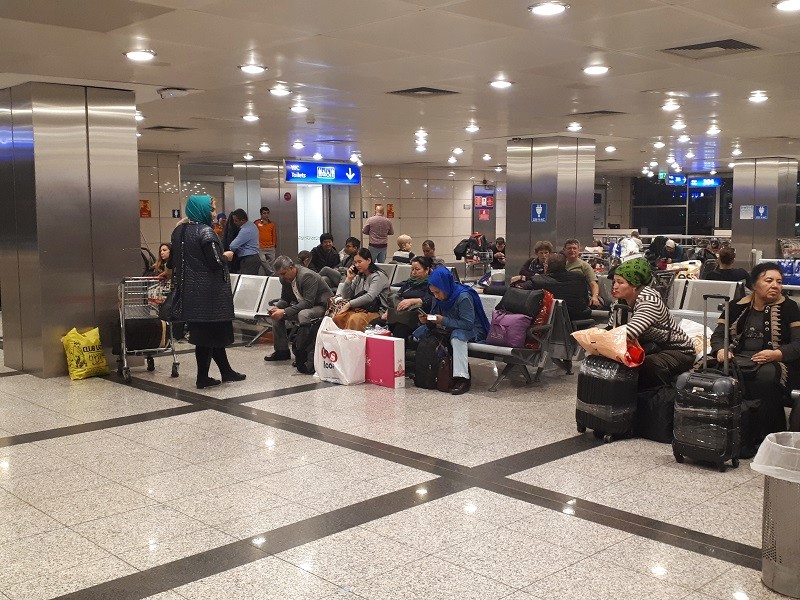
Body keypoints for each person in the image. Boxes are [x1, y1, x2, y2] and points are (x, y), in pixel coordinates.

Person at [711, 262, 800, 455]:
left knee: (766, 378)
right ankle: (722, 433)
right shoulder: (735, 306)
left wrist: (777, 354)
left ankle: (765, 436)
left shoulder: (790, 307)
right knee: (714, 372)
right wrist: (720, 349)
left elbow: (798, 344)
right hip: (738, 358)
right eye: (769, 280)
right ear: (754, 283)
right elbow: (718, 336)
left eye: (779, 281)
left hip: (777, 361)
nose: (775, 285)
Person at [168, 195, 245, 389]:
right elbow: (215, 262)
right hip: (210, 295)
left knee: (211, 334)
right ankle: (202, 378)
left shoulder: (179, 232)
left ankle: (226, 371)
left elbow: (173, 261)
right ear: (201, 210)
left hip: (190, 293)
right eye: (211, 209)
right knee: (207, 337)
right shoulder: (206, 232)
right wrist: (226, 256)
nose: (214, 214)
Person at [609, 257, 695, 390]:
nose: (615, 286)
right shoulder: (620, 303)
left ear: (635, 284)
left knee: (648, 365)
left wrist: (597, 339)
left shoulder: (649, 300)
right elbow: (611, 328)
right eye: (614, 282)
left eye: (620, 282)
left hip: (678, 351)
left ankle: (659, 399)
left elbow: (631, 332)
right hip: (652, 346)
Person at [414, 266, 490, 395]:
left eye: (438, 292)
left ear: (445, 286)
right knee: (419, 333)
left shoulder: (463, 297)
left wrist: (442, 320)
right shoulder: (438, 297)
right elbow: (436, 315)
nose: (436, 296)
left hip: (472, 330)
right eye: (433, 293)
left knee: (457, 337)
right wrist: (428, 319)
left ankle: (462, 378)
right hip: (447, 326)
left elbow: (467, 324)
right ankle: (426, 370)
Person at [264, 256, 331, 362]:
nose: (282, 277)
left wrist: (284, 311)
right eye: (279, 274)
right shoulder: (285, 278)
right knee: (276, 316)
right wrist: (277, 307)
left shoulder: (306, 276)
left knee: (304, 314)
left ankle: (304, 354)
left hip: (321, 307)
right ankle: (282, 351)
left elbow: (308, 303)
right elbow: (285, 299)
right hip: (303, 305)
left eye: (283, 273)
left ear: (291, 267)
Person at [371, 256, 435, 341]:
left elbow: (432, 300)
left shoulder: (431, 284)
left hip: (415, 317)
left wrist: (413, 301)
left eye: (417, 269)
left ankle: (397, 353)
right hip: (399, 314)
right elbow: (397, 297)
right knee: (374, 324)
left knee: (400, 330)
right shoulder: (409, 283)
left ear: (427, 270)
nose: (413, 272)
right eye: (412, 269)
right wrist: (389, 311)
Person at [518, 253, 591, 321]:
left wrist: (520, 279)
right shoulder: (579, 277)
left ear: (546, 267)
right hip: (579, 320)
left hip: (547, 324)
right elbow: (586, 299)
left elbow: (517, 291)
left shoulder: (537, 281)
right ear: (565, 265)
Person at [335, 248, 390, 331]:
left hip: (377, 311)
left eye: (359, 262)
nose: (357, 265)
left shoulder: (378, 276)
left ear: (368, 260)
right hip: (360, 309)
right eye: (355, 262)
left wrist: (349, 304)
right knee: (338, 318)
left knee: (355, 319)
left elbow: (370, 296)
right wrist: (349, 279)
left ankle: (352, 343)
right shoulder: (360, 276)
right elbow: (346, 296)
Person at [563, 239, 601, 307]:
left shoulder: (584, 266)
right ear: (564, 250)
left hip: (580, 297)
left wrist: (594, 297)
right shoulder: (560, 264)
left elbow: (593, 284)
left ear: (579, 250)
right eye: (569, 248)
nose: (572, 250)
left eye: (574, 248)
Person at [224, 209, 261, 275]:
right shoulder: (252, 225)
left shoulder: (245, 230)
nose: (234, 223)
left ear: (243, 220)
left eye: (236, 221)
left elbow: (233, 245)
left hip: (248, 260)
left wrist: (232, 252)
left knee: (247, 282)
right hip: (254, 258)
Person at [255, 206, 277, 276]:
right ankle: (272, 274)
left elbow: (274, 235)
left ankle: (268, 276)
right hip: (260, 247)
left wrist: (274, 244)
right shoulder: (257, 223)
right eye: (264, 213)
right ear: (261, 214)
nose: (266, 215)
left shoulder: (272, 224)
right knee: (263, 261)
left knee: (271, 263)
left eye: (267, 213)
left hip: (270, 247)